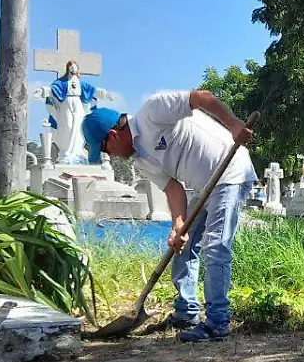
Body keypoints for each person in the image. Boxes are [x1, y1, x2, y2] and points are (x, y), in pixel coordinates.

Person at [81, 90, 257, 343]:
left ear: (112, 135)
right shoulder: (139, 160)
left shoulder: (152, 111)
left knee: (215, 245)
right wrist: (178, 225)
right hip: (205, 186)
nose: (110, 156)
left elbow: (201, 97)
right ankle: (186, 312)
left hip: (230, 171)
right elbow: (173, 188)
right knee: (182, 245)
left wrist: (233, 125)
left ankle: (218, 322)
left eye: (105, 150)